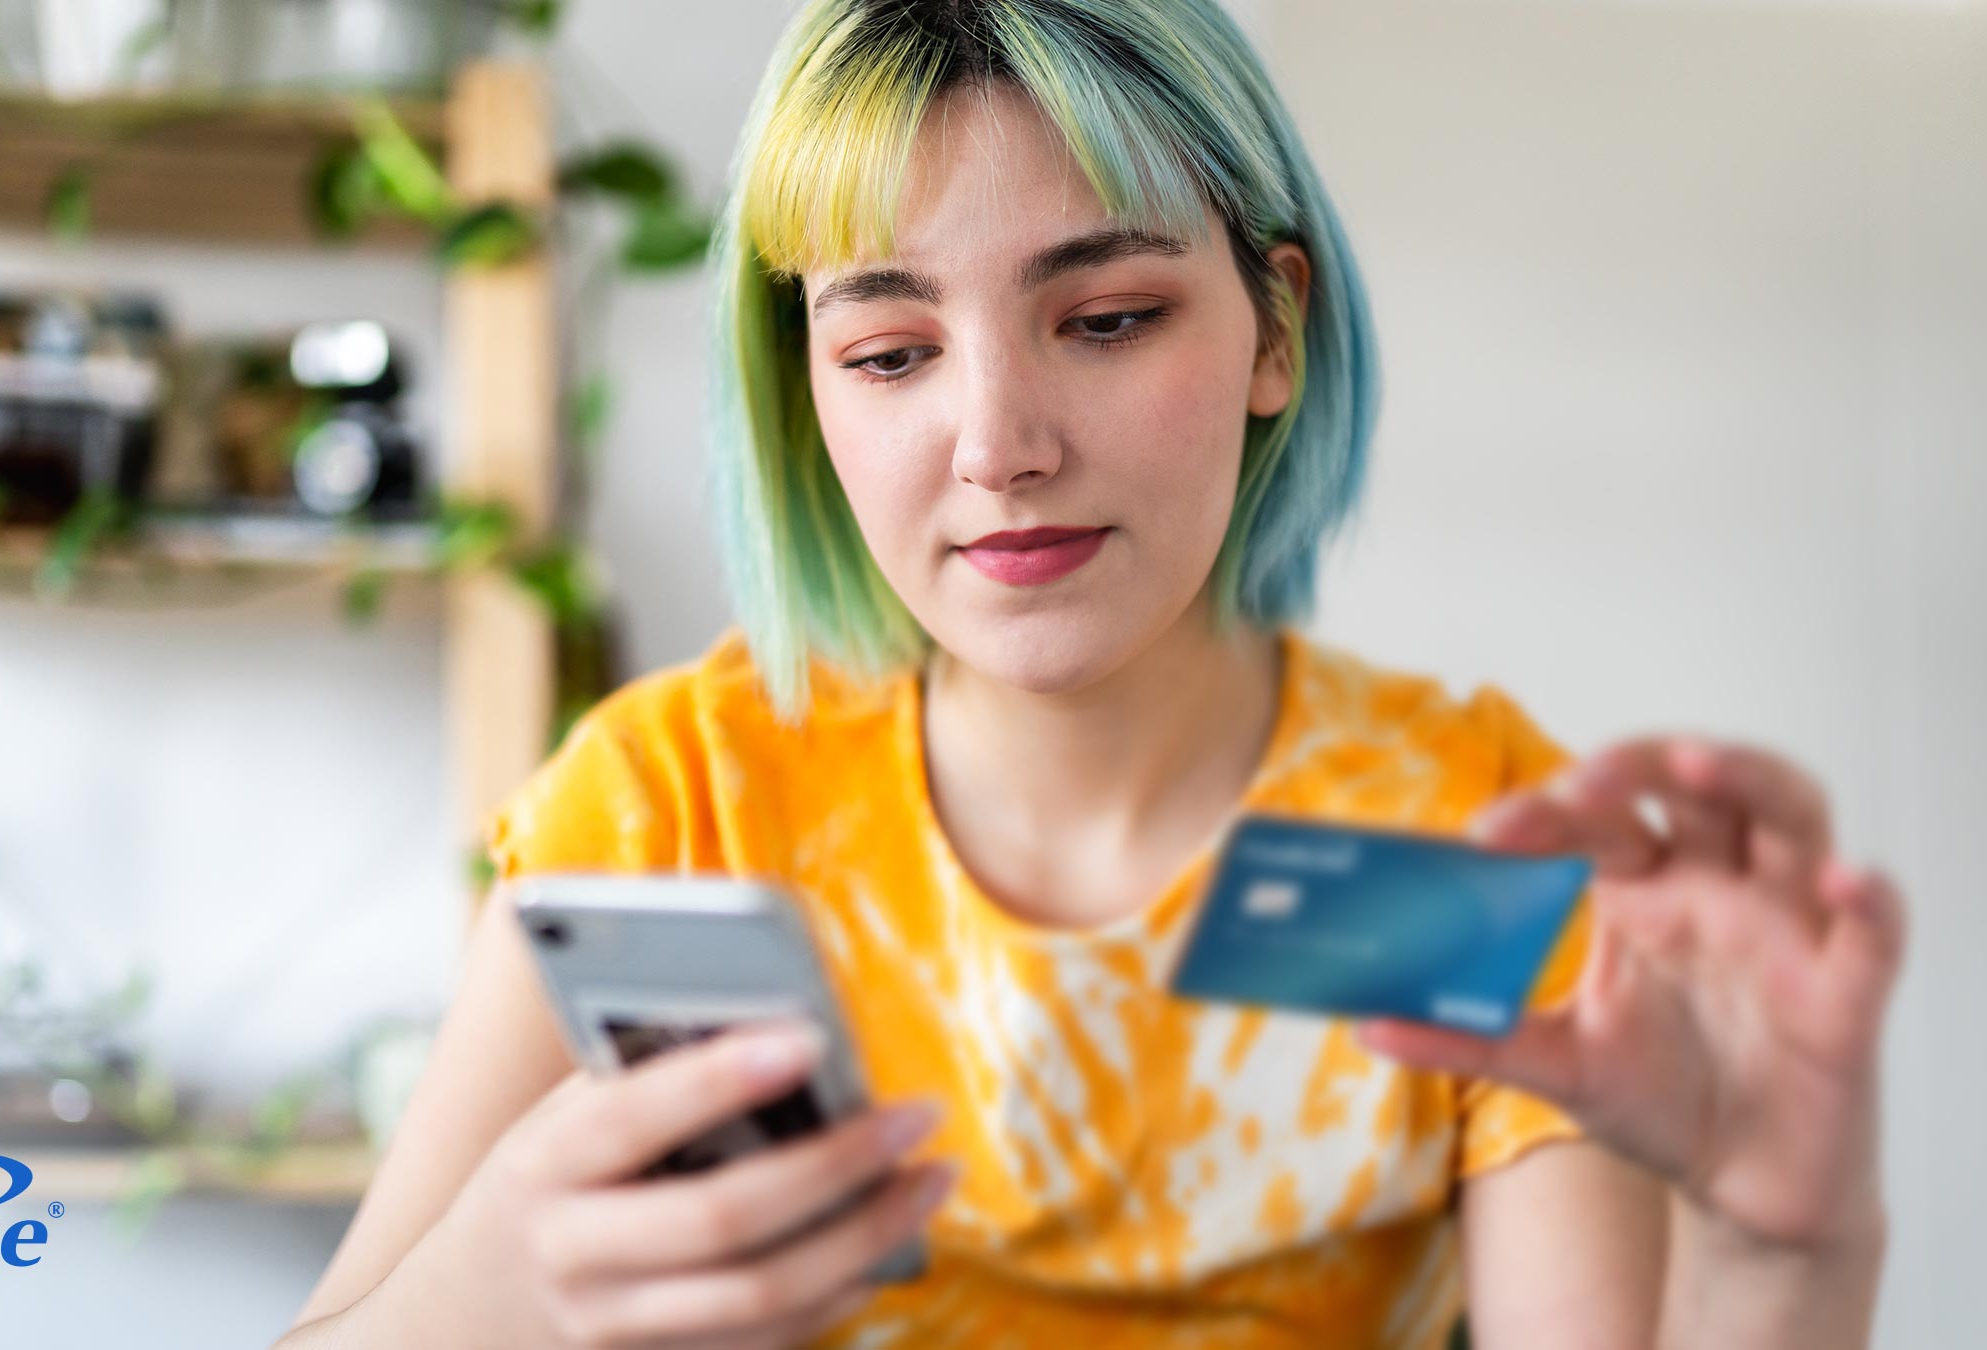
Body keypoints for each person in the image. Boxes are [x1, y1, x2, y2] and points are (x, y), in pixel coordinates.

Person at [276, 2, 1905, 1346]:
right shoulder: (680, 803)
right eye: (891, 353)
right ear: (807, 394)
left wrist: (1782, 1253)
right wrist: (481, 1291)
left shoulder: (1445, 839)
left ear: (1276, 329)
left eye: (1109, 318)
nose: (999, 447)